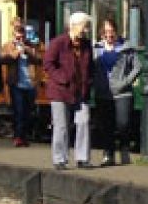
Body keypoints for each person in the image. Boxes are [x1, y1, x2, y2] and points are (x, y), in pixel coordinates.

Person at [42, 11, 95, 170]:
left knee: (84, 121)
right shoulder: (58, 43)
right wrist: (63, 78)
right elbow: (48, 64)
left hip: (81, 91)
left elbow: (90, 66)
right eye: (85, 27)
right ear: (74, 26)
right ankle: (60, 159)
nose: (87, 30)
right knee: (61, 125)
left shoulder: (86, 45)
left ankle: (83, 158)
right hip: (60, 91)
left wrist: (89, 81)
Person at [93, 20, 140, 165]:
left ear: (116, 31)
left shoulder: (126, 48)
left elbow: (137, 67)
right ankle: (108, 154)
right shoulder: (96, 49)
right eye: (105, 32)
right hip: (103, 92)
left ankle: (124, 148)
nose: (109, 35)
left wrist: (126, 82)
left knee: (123, 123)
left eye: (111, 31)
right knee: (106, 125)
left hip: (122, 92)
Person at [1, 18, 39, 147]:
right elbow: (3, 59)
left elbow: (38, 60)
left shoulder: (30, 46)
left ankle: (23, 137)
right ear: (14, 33)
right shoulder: (8, 45)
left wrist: (27, 50)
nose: (20, 35)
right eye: (18, 32)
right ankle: (18, 137)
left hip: (30, 83)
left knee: (28, 112)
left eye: (22, 32)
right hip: (16, 83)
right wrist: (17, 51)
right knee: (19, 110)